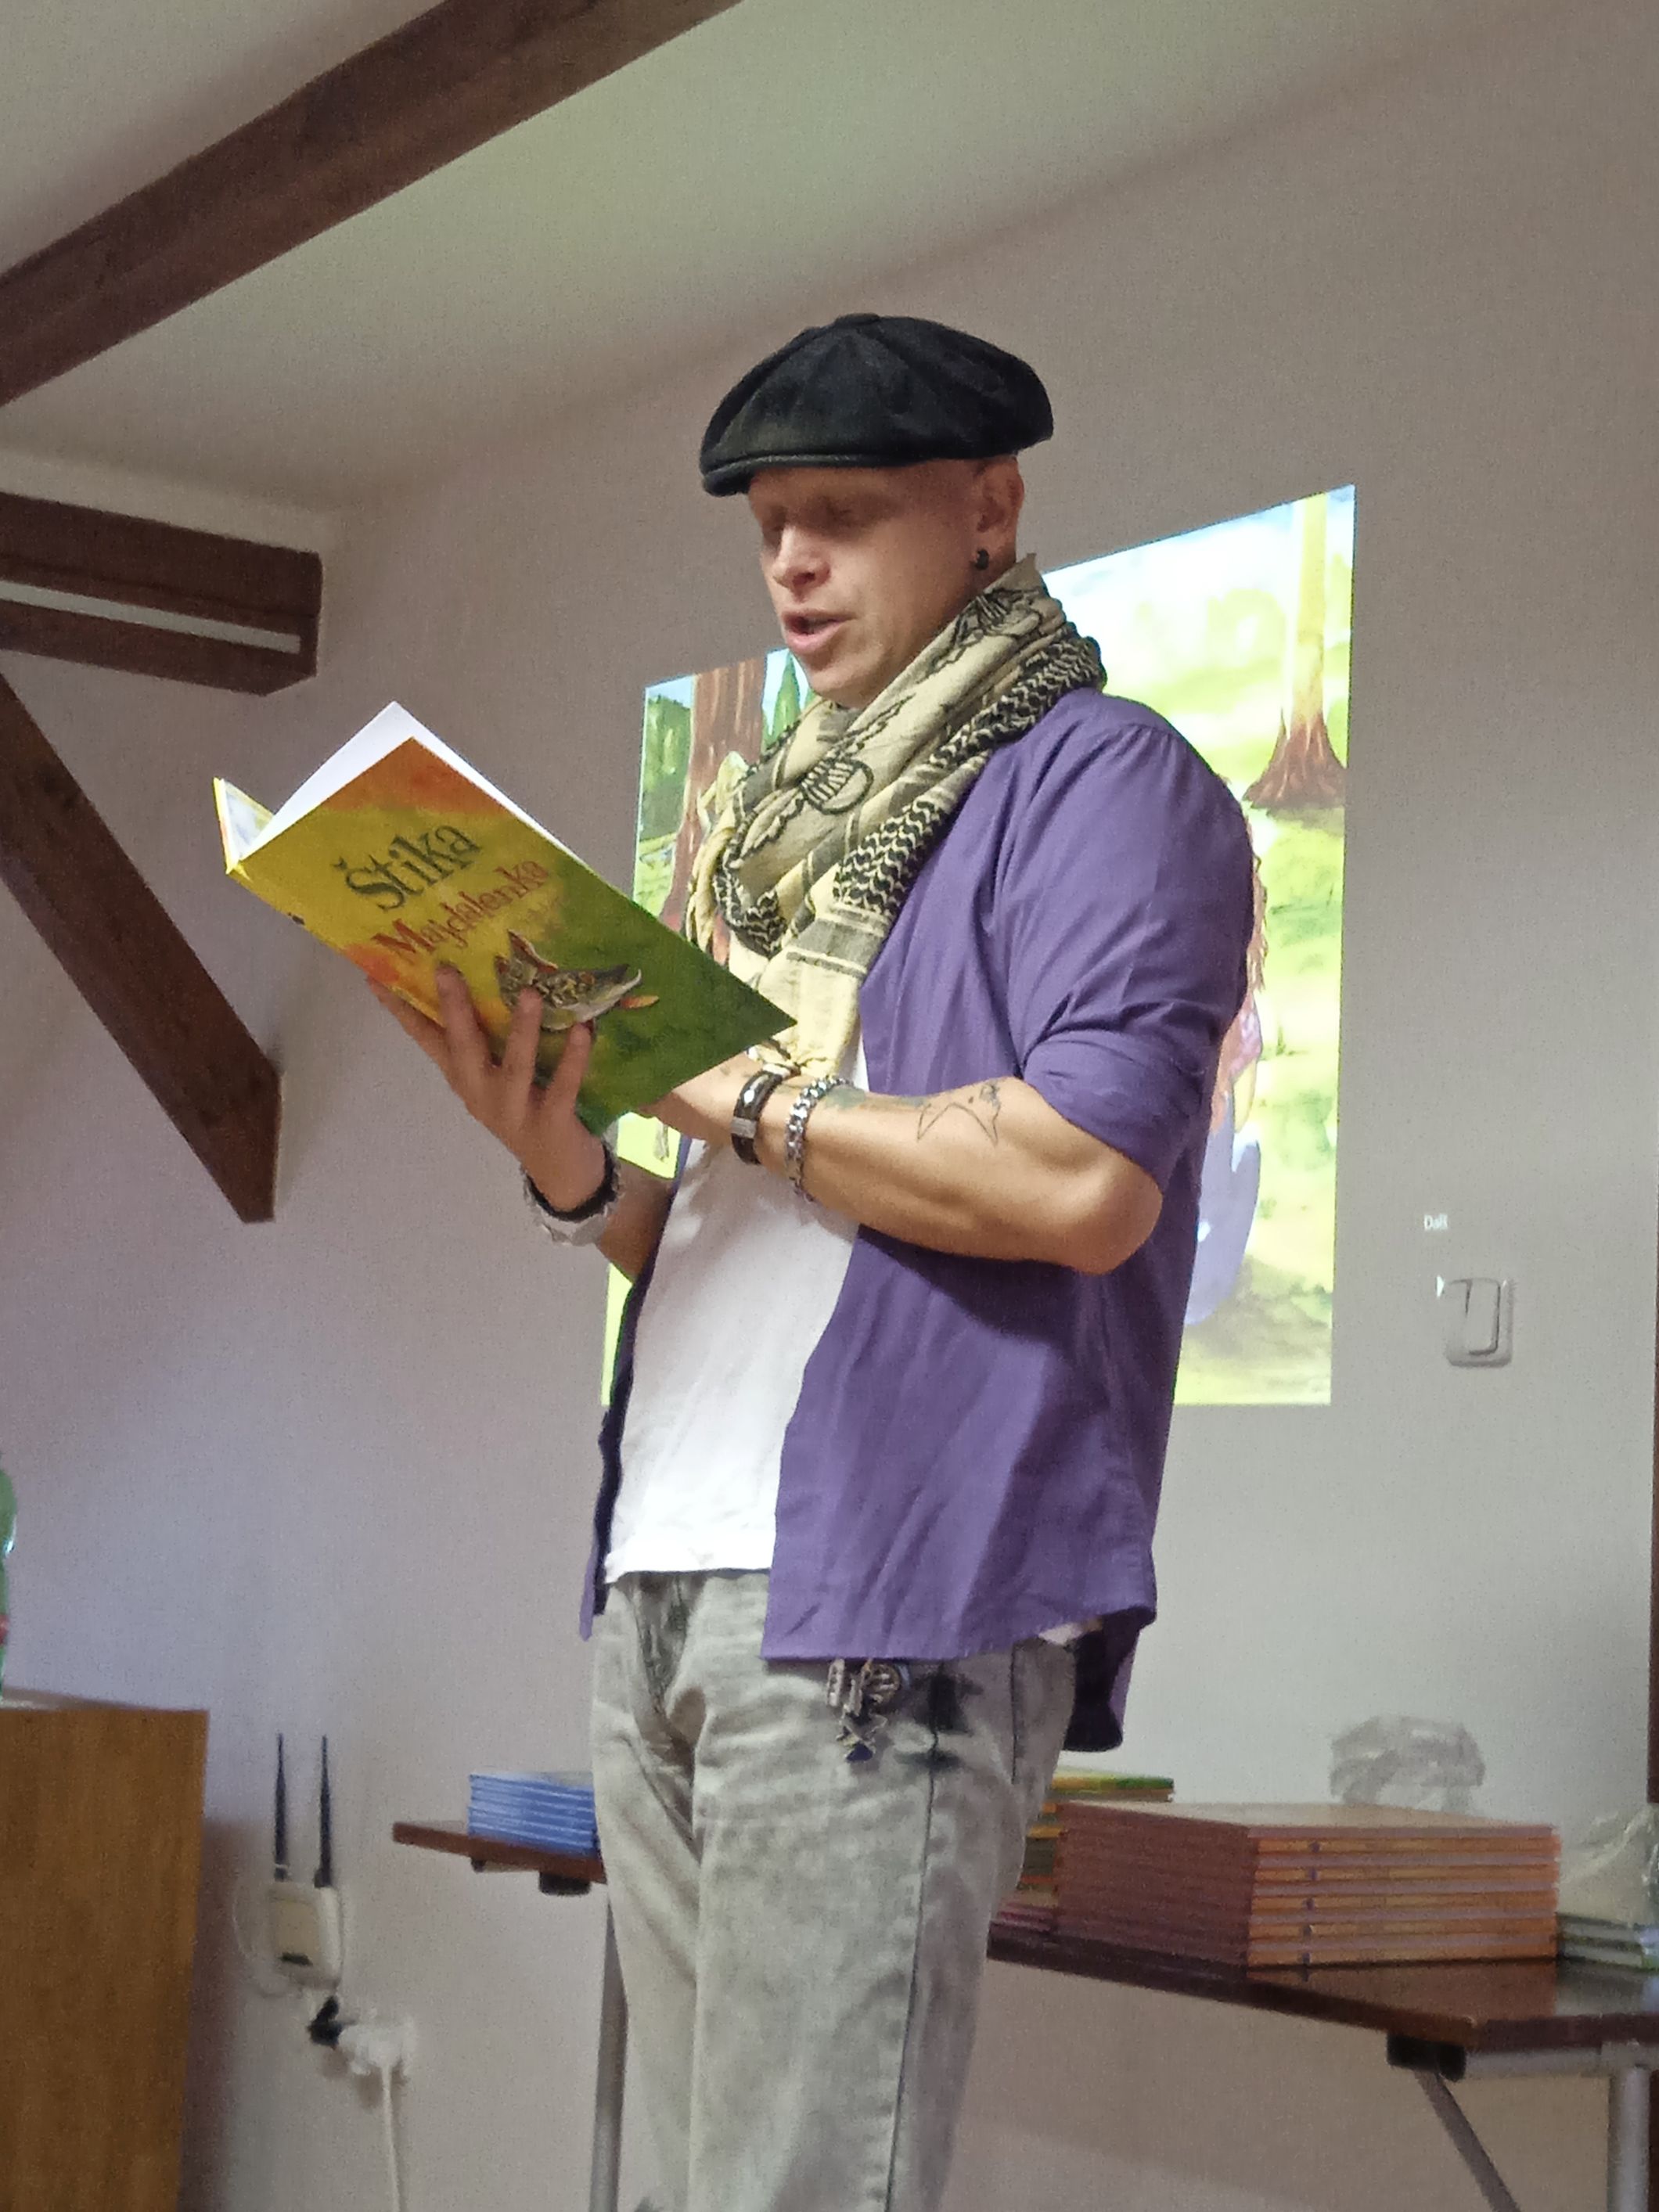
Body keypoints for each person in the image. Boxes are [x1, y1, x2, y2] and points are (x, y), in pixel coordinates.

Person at [372, 312, 1254, 2212]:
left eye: (841, 514)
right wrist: (564, 1162)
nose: (789, 562)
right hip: (661, 1577)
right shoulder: (769, 831)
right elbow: (736, 1229)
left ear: (988, 507)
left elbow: (1088, 1178)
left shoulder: (1101, 780)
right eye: (769, 521)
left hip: (881, 1602)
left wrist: (726, 1088)